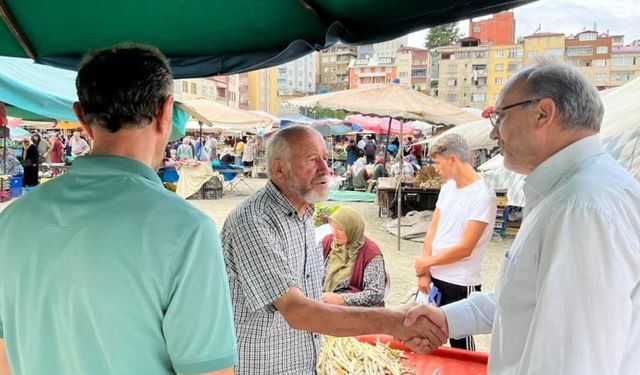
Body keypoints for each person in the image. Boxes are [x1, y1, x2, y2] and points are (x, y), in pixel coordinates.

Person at [0, 45, 237, 375]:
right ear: (166, 111)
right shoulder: (186, 230)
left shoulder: (12, 221)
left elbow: (4, 358)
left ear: (81, 116)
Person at [404, 61, 640, 374]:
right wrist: (449, 319)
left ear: (543, 113)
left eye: (499, 116)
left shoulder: (582, 207)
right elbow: (521, 300)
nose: (493, 132)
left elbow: (574, 362)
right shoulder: (567, 193)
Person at [221, 125, 446, 374]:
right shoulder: (254, 221)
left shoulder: (304, 215)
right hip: (261, 367)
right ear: (279, 168)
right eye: (311, 159)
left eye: (325, 159)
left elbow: (313, 298)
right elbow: (297, 311)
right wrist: (394, 322)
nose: (325, 169)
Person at [413, 133, 497, 351]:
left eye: (438, 163)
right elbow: (433, 228)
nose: (436, 169)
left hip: (461, 280)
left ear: (453, 159)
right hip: (436, 275)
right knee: (430, 335)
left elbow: (465, 248)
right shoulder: (448, 188)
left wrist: (426, 263)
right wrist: (426, 269)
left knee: (461, 343)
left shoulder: (482, 194)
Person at [321, 206, 387, 307]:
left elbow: (376, 293)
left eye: (340, 229)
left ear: (353, 231)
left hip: (353, 312)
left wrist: (342, 299)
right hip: (323, 303)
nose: (335, 233)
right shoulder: (327, 242)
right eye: (333, 228)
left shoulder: (371, 253)